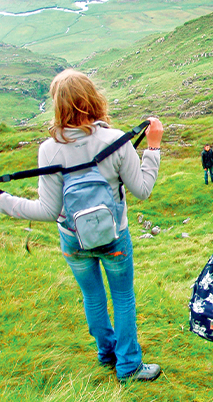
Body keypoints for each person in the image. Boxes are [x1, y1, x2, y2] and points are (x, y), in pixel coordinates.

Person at [0, 69, 162, 382]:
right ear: (94, 98)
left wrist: (4, 201)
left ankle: (106, 353)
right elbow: (142, 190)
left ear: (58, 106)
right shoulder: (116, 141)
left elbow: (48, 210)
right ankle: (128, 366)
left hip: (73, 240)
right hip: (114, 237)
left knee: (93, 297)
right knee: (123, 298)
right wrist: (152, 147)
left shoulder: (49, 148)